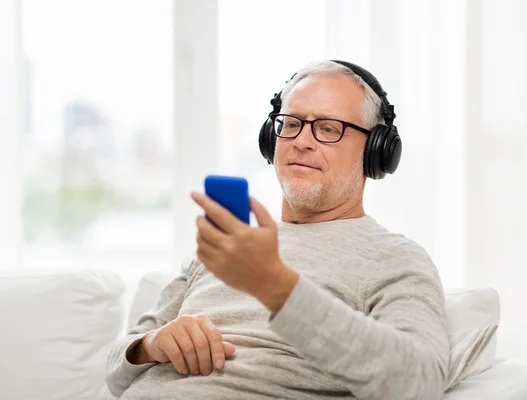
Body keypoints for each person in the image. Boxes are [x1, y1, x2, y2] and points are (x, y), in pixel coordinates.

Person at [105, 60, 450, 400]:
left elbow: (420, 383)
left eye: (329, 128)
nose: (302, 141)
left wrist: (275, 286)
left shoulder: (394, 258)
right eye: (291, 123)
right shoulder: (233, 247)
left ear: (375, 151)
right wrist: (151, 345)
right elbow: (116, 369)